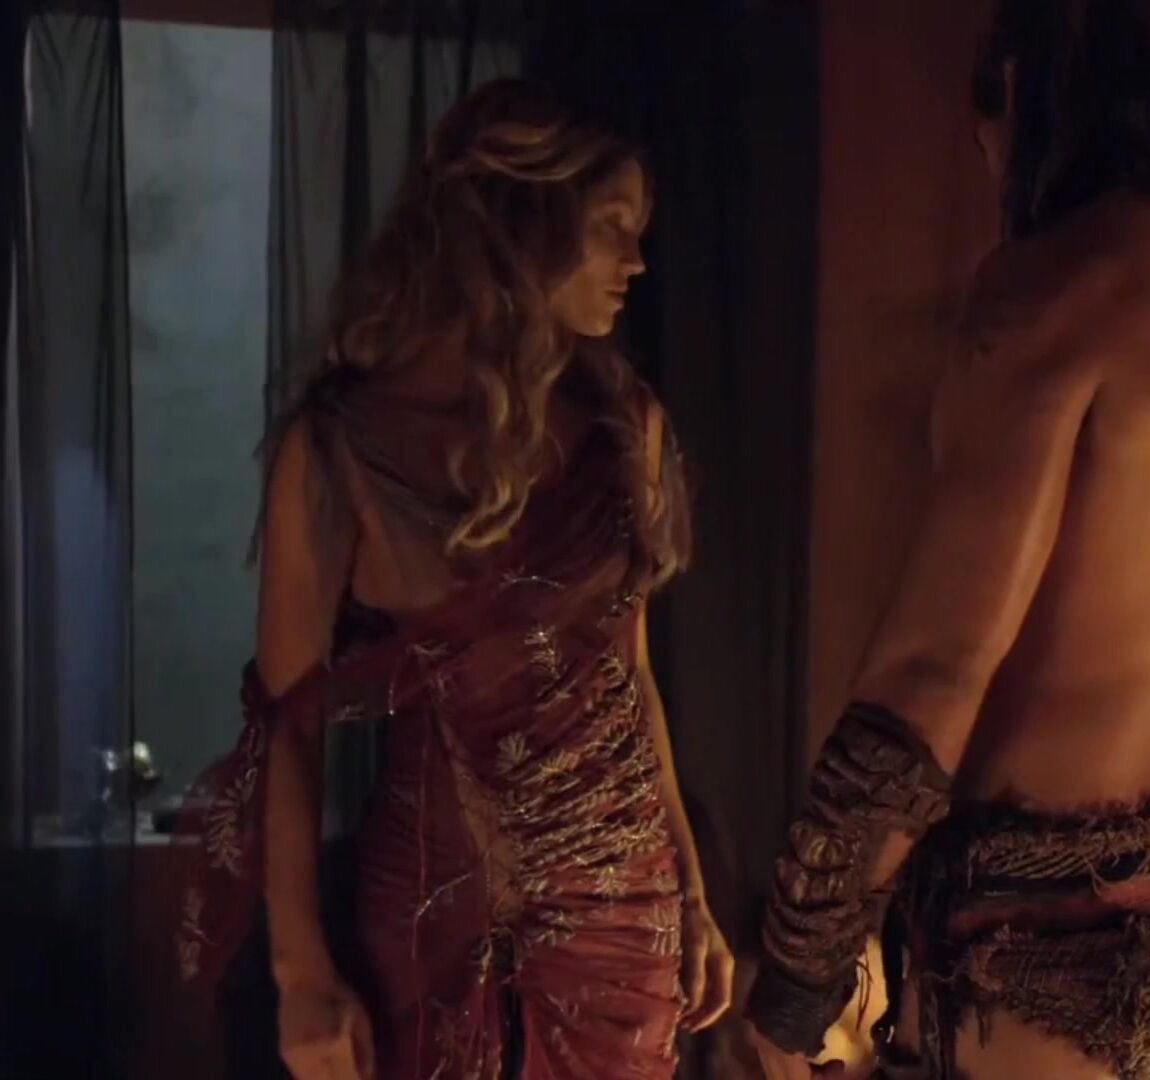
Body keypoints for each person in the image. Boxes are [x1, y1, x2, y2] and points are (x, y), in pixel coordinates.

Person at [746, 2, 1150, 1078]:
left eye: (987, 141)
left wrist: (798, 979)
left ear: (1024, 101)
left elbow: (932, 671)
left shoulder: (1059, 289)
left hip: (1051, 969)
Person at [174, 79, 734, 1079]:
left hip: (624, 926)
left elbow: (630, 678)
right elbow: (287, 725)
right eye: (612, 225)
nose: (637, 262)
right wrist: (300, 973)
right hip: (435, 921)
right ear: (524, 216)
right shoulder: (340, 448)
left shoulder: (625, 427)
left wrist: (691, 892)